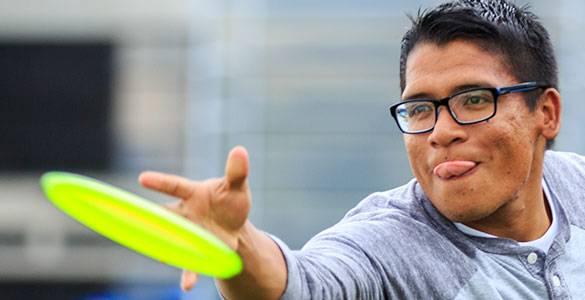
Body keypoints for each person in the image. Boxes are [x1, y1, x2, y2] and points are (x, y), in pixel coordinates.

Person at [139, 0, 585, 298]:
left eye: (474, 100)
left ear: (545, 113)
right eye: (420, 108)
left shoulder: (577, 186)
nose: (440, 132)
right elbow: (308, 285)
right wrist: (238, 249)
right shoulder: (389, 244)